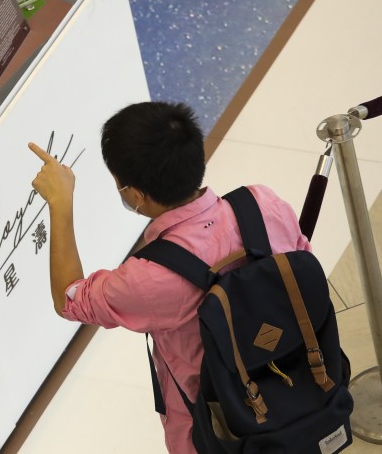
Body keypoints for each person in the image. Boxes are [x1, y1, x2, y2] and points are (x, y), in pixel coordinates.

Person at [27, 101, 310, 454]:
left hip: (219, 426)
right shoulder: (261, 203)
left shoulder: (149, 279)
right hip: (299, 381)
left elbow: (70, 299)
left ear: (134, 195)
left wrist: (60, 202)